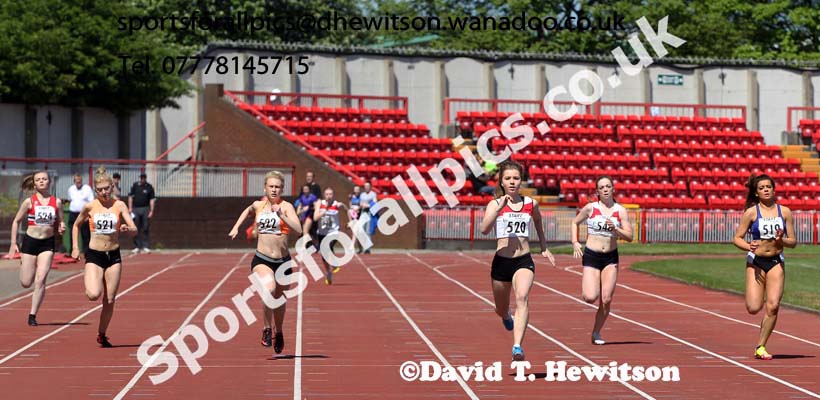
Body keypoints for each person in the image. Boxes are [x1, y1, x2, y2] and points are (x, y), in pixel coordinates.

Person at [479, 161, 555, 361]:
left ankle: (517, 346)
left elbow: (538, 221)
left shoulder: (531, 204)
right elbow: (484, 229)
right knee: (501, 308)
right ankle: (505, 316)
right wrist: (499, 208)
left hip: (523, 260)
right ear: (501, 182)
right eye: (508, 178)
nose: (512, 182)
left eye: (516, 178)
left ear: (521, 181)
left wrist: (544, 246)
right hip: (501, 262)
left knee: (522, 297)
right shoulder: (494, 204)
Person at [228, 171, 302, 354]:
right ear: (265, 188)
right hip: (262, 259)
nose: (274, 189)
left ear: (282, 189)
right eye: (271, 186)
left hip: (283, 262)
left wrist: (282, 215)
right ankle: (267, 328)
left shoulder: (287, 207)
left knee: (279, 300)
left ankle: (279, 331)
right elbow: (248, 210)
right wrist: (236, 227)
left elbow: (299, 229)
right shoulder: (258, 205)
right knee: (269, 289)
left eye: (277, 187)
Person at [71, 166, 137, 347]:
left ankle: (102, 333)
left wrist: (127, 229)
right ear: (95, 190)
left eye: (106, 188)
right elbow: (76, 225)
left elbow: (134, 229)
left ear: (112, 187)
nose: (103, 192)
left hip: (114, 255)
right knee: (93, 294)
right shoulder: (90, 206)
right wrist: (76, 248)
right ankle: (90, 279)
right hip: (94, 255)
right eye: (99, 190)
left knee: (109, 299)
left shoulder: (119, 205)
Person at [732, 174, 796, 360]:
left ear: (774, 190)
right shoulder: (752, 212)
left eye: (769, 186)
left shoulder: (784, 212)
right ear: (756, 193)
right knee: (753, 307)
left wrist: (781, 239)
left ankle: (760, 346)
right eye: (762, 188)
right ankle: (755, 302)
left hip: (776, 260)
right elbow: (737, 238)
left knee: (773, 305)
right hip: (756, 261)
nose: (766, 189)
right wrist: (748, 246)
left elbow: (793, 242)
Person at [570, 176, 634, 346]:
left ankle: (596, 332)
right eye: (601, 187)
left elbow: (629, 236)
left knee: (606, 299)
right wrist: (575, 242)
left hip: (610, 257)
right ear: (597, 191)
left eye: (608, 186)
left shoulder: (620, 211)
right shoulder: (591, 208)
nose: (605, 189)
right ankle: (590, 289)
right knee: (590, 297)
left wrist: (616, 229)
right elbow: (575, 222)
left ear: (613, 189)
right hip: (592, 255)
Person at [8, 171, 66, 326]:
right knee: (26, 282)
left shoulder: (57, 202)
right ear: (34, 184)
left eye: (44, 179)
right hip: (30, 242)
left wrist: (61, 227)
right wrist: (14, 243)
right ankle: (26, 267)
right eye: (38, 180)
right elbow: (16, 221)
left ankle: (32, 315)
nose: (41, 182)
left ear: (49, 182)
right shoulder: (29, 202)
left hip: (47, 244)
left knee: (40, 280)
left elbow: (60, 221)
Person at [314, 187, 348, 285]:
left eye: (330, 194)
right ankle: (328, 273)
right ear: (324, 195)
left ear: (333, 195)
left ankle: (334, 264)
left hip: (334, 232)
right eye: (327, 194)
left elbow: (347, 209)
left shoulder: (336, 204)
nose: (329, 196)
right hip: (322, 233)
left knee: (327, 245)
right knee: (324, 256)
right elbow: (315, 218)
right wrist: (322, 213)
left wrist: (350, 221)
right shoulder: (320, 204)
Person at [128, 172, 156, 254]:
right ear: (140, 178)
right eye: (141, 177)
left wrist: (151, 210)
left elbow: (152, 199)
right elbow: (130, 197)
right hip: (136, 208)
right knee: (135, 228)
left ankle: (145, 246)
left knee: (145, 227)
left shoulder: (149, 187)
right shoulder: (135, 186)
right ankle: (137, 246)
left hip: (145, 209)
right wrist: (130, 208)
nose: (142, 179)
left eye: (144, 177)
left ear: (145, 178)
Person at [67, 173, 94, 254]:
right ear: (74, 181)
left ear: (82, 181)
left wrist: (87, 215)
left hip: (83, 214)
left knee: (85, 234)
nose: (78, 183)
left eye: (80, 181)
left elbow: (91, 202)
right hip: (73, 213)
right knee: (72, 232)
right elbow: (69, 199)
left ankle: (86, 252)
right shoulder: (71, 189)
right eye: (77, 181)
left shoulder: (87, 189)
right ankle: (72, 251)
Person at [358, 182, 379, 254]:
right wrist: (362, 205)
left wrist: (367, 205)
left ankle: (367, 248)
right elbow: (360, 203)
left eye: (368, 186)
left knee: (368, 231)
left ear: (370, 187)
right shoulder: (362, 195)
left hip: (370, 213)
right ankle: (362, 247)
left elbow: (375, 203)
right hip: (363, 212)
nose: (366, 187)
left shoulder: (373, 194)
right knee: (361, 230)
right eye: (365, 186)